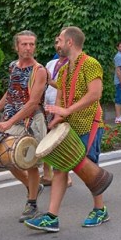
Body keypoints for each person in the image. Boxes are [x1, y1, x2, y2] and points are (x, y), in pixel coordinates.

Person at [25, 26, 114, 232]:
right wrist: (57, 118)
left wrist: (67, 110)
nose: (57, 44)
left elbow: (95, 94)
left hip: (88, 124)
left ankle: (100, 210)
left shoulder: (91, 64)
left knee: (90, 168)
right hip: (69, 127)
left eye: (59, 40)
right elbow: (60, 97)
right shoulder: (65, 69)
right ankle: (52, 217)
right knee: (60, 168)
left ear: (70, 42)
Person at [0, 30, 48, 222]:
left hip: (31, 122)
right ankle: (33, 187)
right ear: (16, 47)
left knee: (30, 163)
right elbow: (11, 92)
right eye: (24, 44)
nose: (28, 48)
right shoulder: (13, 66)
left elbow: (33, 103)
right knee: (8, 159)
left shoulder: (39, 71)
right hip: (11, 119)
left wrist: (8, 122)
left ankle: (32, 204)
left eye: (32, 44)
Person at [40, 38, 71, 187]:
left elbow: (66, 88)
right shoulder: (50, 63)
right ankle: (47, 174)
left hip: (62, 108)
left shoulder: (72, 65)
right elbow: (44, 85)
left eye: (61, 43)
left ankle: (66, 177)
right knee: (46, 141)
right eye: (56, 43)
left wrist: (48, 80)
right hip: (47, 107)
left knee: (61, 143)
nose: (58, 46)